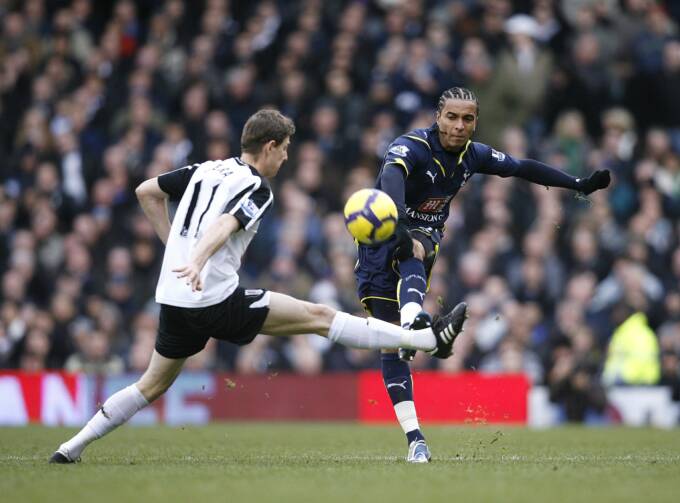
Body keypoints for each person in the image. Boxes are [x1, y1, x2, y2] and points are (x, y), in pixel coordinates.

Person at [49, 109, 467, 464]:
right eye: (284, 149)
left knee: (151, 384)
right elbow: (225, 224)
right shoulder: (257, 189)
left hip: (174, 301)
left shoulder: (205, 169)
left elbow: (147, 192)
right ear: (269, 146)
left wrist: (175, 250)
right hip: (214, 300)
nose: (286, 158)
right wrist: (194, 259)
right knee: (319, 317)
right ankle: (427, 340)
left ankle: (71, 447)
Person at [355, 87, 610, 463]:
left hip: (419, 239)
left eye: (468, 119)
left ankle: (414, 321)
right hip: (379, 242)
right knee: (390, 347)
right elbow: (392, 176)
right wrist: (399, 222)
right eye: (452, 117)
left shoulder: (473, 155)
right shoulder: (411, 146)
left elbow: (522, 167)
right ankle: (415, 436)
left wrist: (578, 184)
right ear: (437, 117)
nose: (459, 126)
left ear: (475, 122)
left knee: (417, 247)